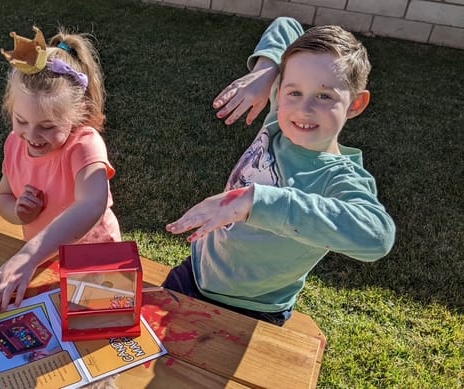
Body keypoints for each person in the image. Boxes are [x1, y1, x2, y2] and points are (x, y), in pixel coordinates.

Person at [164, 17, 396, 326]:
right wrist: (265, 72)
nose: (304, 109)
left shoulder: (339, 178)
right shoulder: (278, 121)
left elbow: (377, 235)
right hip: (194, 273)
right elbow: (286, 25)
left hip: (255, 308)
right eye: (293, 92)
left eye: (325, 96)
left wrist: (255, 202)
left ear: (355, 104)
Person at [0, 26, 121, 316]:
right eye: (21, 120)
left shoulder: (84, 145)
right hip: (42, 262)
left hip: (93, 263)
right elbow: (2, 197)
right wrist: (18, 212)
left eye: (47, 127)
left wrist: (28, 256)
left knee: (90, 329)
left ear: (78, 113)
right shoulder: (14, 143)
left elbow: (91, 203)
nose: (32, 135)